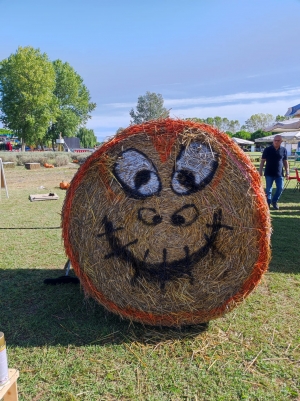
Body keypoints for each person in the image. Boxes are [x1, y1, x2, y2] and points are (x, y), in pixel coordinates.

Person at [259, 135, 289, 210]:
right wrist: (260, 171)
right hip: (269, 172)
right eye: (275, 140)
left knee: (280, 188)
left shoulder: (283, 150)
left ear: (281, 141)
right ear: (273, 141)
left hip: (279, 173)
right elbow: (262, 161)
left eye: (278, 140)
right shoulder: (267, 149)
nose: (276, 142)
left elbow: (285, 162)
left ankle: (274, 201)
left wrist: (287, 172)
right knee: (269, 189)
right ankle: (268, 203)